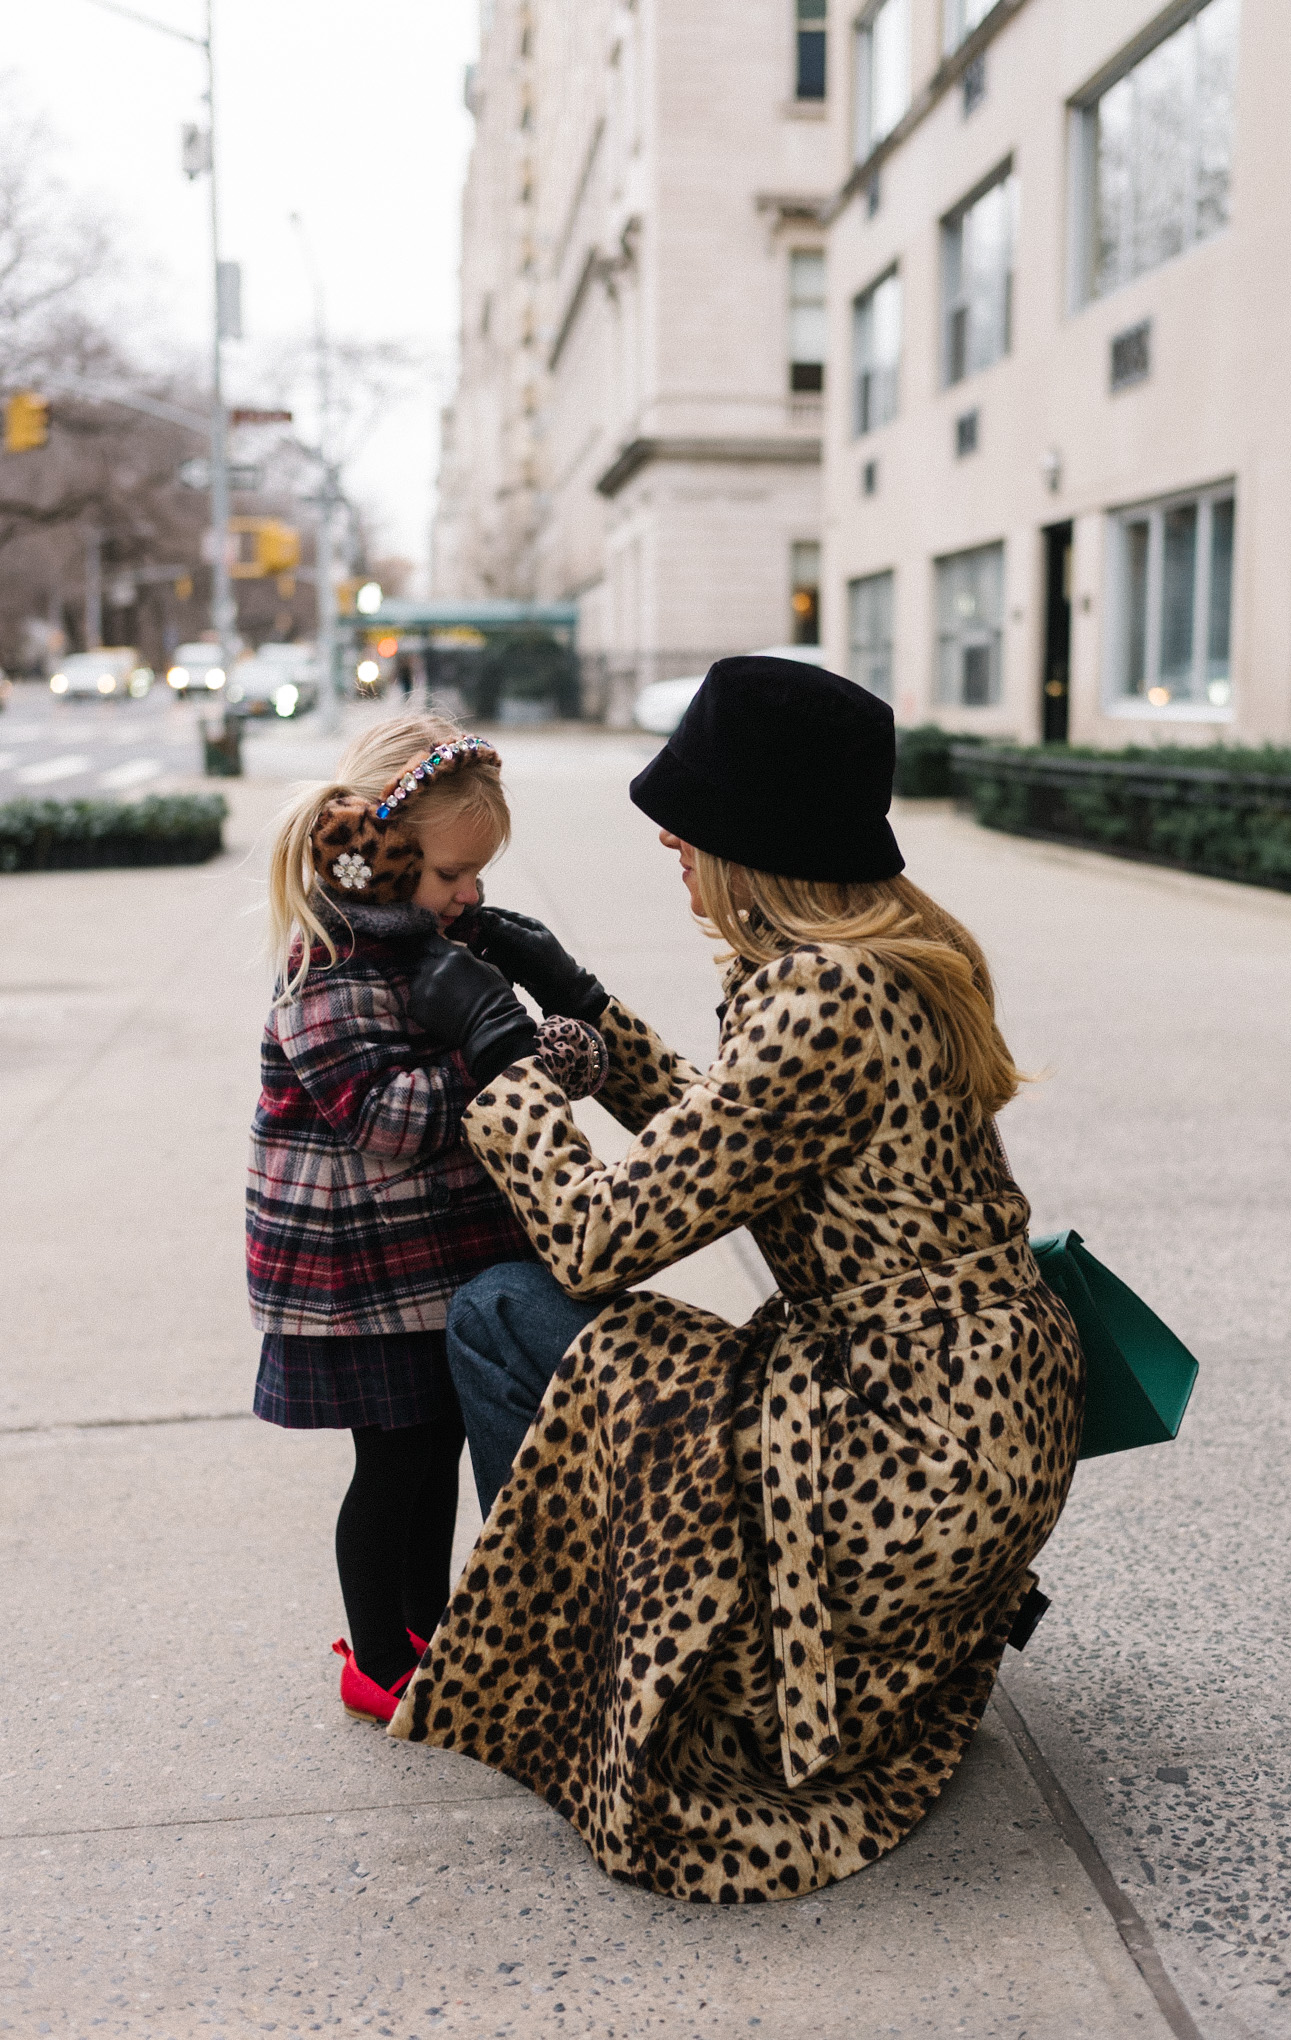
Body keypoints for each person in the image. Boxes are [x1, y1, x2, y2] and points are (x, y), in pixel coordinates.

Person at [387, 655, 1086, 1904]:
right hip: (983, 1412)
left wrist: (503, 1060)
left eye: (689, 819)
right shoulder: (901, 953)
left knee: (502, 1312)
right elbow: (750, 1135)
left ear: (753, 837)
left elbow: (601, 1238)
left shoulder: (821, 995)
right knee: (609, 1343)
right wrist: (586, 1011)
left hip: (901, 1447)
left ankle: (582, 1669)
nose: (667, 836)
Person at [248, 711, 608, 1726]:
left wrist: (542, 1030)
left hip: (435, 1254)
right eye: (453, 873)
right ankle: (374, 1656)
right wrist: (502, 1054)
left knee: (440, 1441)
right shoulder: (326, 969)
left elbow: (535, 1065)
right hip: (360, 1273)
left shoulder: (436, 945)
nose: (472, 894)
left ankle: (429, 1626)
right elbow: (387, 1117)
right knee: (394, 1460)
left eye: (480, 872)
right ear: (382, 851)